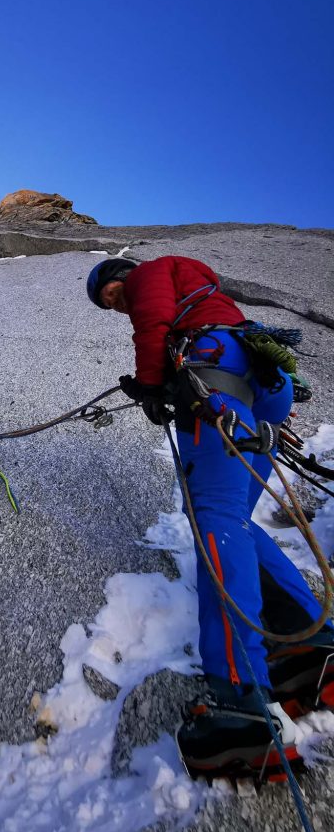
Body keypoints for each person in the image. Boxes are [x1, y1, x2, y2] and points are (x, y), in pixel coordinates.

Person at [86, 255, 334, 780]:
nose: (112, 301)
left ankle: (239, 698)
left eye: (109, 290)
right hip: (259, 383)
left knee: (213, 519)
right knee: (232, 520)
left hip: (214, 376)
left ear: (122, 273)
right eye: (107, 302)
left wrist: (153, 383)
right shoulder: (200, 289)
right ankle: (308, 639)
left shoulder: (153, 272)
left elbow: (152, 317)